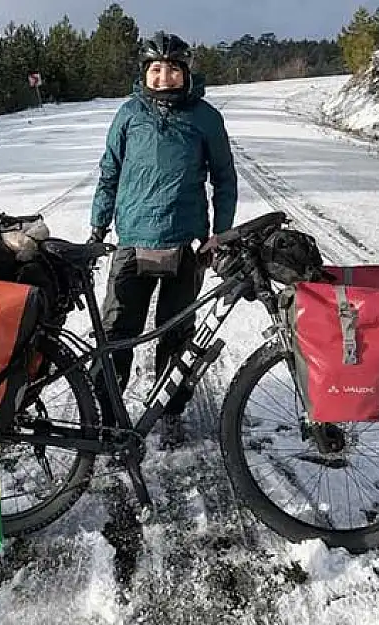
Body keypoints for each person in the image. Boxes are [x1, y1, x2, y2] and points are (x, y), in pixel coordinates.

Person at [87, 31, 237, 434]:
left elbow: (224, 177)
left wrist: (220, 232)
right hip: (133, 240)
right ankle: (106, 411)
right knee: (118, 330)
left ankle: (169, 411)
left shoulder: (205, 117)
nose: (163, 77)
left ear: (185, 72)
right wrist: (99, 225)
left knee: (176, 330)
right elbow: (110, 171)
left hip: (186, 242)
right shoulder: (128, 114)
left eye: (172, 69)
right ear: (145, 73)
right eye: (155, 69)